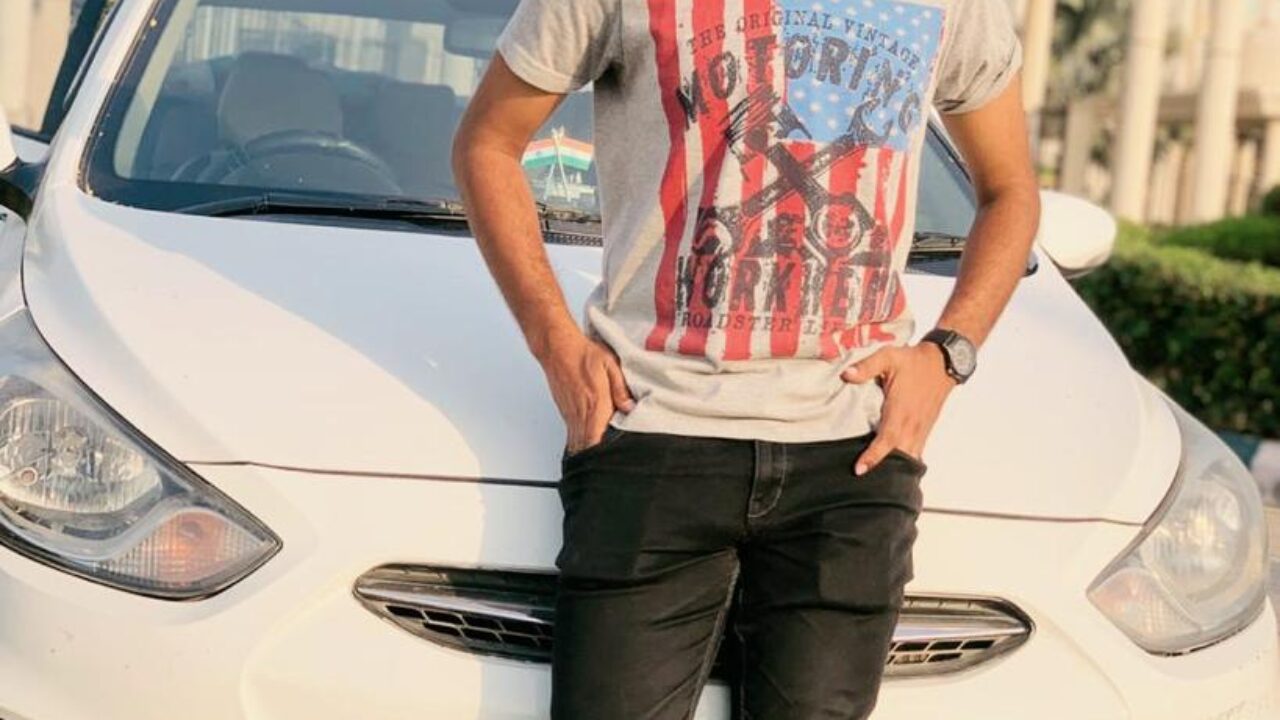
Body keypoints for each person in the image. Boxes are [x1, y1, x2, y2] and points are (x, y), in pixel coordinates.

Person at [453, 1, 1040, 717]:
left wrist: (947, 354)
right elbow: (488, 143)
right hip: (654, 431)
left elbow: (1011, 189)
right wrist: (555, 345)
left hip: (852, 458)